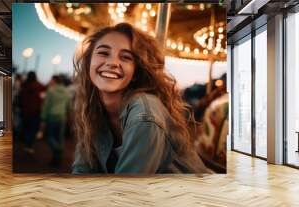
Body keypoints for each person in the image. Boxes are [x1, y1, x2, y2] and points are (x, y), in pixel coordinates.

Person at [72, 23, 211, 174]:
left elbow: (127, 190)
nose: (112, 63)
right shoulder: (92, 111)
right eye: (104, 53)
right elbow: (82, 170)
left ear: (136, 71)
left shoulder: (145, 113)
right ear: (88, 62)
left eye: (125, 57)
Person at [37, 75, 71, 167]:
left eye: (51, 79)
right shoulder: (66, 91)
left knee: (50, 137)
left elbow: (46, 105)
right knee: (60, 138)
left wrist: (43, 117)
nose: (50, 81)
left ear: (54, 81)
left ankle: (57, 150)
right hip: (62, 117)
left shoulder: (51, 91)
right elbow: (69, 104)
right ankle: (57, 159)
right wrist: (68, 114)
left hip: (52, 116)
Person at [19, 71, 45, 153]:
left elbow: (20, 99)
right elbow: (44, 91)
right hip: (35, 112)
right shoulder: (38, 86)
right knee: (33, 130)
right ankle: (30, 146)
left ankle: (27, 145)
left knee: (26, 129)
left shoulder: (24, 86)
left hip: (25, 112)